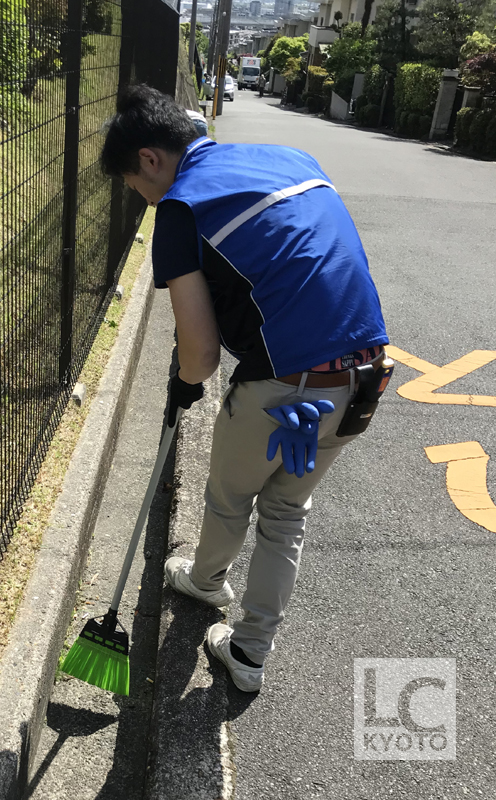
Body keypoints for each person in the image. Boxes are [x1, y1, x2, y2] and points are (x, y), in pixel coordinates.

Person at [100, 85, 390, 693]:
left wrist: (183, 385)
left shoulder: (180, 209)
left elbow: (200, 356)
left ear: (150, 159)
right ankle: (250, 653)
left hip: (282, 385)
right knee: (286, 514)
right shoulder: (292, 158)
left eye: (134, 185)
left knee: (231, 498)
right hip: (362, 377)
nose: (143, 198)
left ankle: (206, 582)